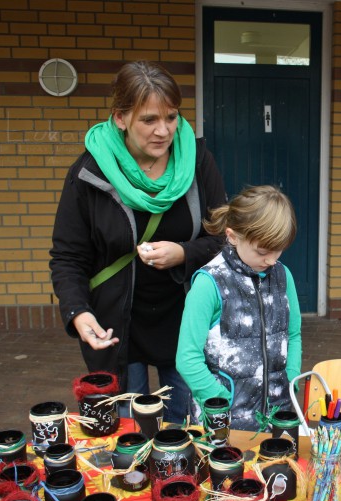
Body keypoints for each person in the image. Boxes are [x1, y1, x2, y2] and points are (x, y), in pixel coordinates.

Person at [50, 61, 227, 423]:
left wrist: (184, 253)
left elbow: (224, 237)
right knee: (130, 431)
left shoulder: (198, 162)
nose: (164, 131)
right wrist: (78, 311)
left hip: (184, 319)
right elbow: (68, 257)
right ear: (121, 117)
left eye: (172, 117)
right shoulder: (90, 172)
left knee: (186, 427)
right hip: (116, 323)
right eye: (149, 120)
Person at [176, 185, 302, 431]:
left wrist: (291, 378)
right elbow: (187, 359)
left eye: (278, 250)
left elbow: (293, 334)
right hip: (224, 423)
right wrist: (219, 400)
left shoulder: (283, 276)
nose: (271, 260)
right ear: (233, 236)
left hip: (278, 415)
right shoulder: (209, 284)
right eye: (262, 251)